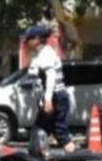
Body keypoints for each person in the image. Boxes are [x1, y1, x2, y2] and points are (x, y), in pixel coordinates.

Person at [24, 24, 76, 153]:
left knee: (60, 131)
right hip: (51, 97)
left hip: (56, 97)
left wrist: (48, 100)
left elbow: (51, 77)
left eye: (29, 38)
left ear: (36, 39)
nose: (27, 42)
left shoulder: (46, 53)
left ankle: (76, 160)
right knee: (39, 132)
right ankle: (42, 159)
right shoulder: (40, 55)